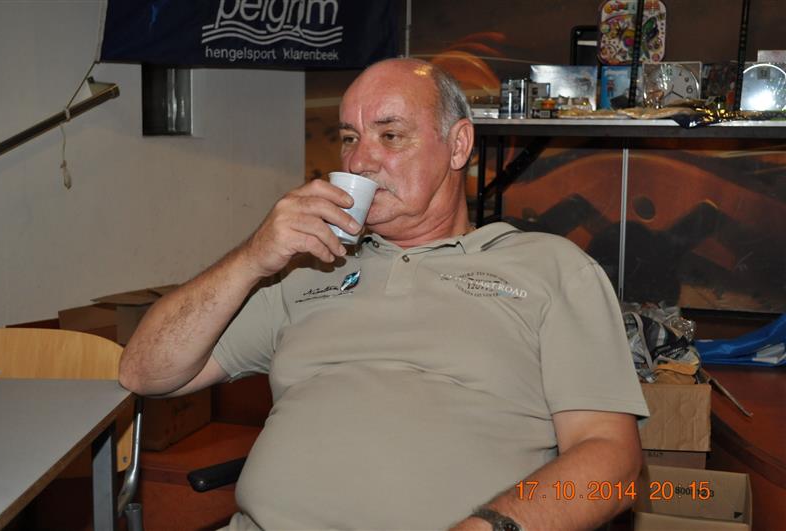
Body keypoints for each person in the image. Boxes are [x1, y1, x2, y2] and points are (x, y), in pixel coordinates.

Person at [119, 58, 649, 531]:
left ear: (458, 145)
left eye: (390, 135)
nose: (359, 162)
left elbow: (613, 460)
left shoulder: (549, 268)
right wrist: (253, 257)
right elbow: (144, 372)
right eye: (349, 138)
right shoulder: (308, 268)